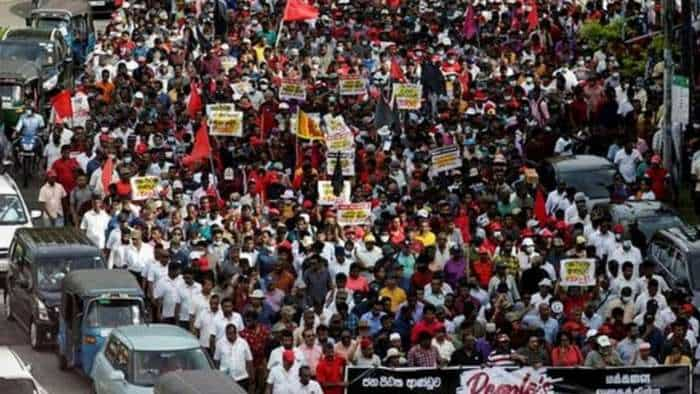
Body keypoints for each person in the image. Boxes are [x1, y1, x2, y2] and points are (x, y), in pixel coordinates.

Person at [214, 324, 253, 390]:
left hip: (241, 378)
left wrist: (250, 375)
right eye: (227, 333)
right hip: (226, 378)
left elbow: (249, 360)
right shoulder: (220, 343)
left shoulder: (243, 343)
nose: (229, 335)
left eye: (231, 333)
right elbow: (216, 360)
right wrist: (218, 376)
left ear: (236, 333)